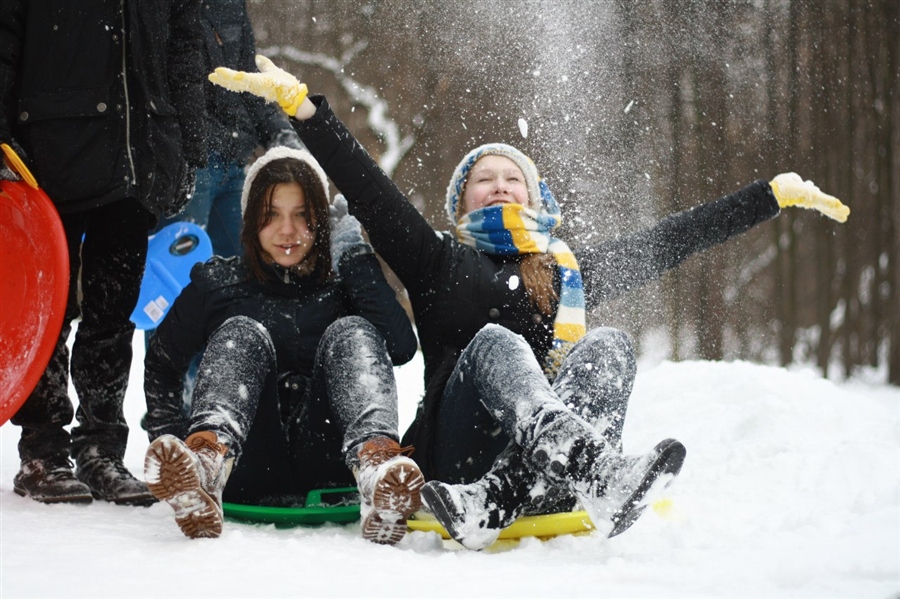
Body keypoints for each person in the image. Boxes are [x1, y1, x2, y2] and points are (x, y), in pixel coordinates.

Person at [208, 57, 850, 549]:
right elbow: (368, 189)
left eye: (512, 178)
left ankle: (521, 491)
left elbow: (668, 242)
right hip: (457, 448)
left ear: (535, 198)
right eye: (482, 179)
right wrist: (308, 113)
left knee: (609, 345)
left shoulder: (564, 271)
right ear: (460, 202)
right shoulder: (436, 259)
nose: (499, 186)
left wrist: (769, 196)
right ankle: (585, 468)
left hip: (533, 480)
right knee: (496, 342)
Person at [141, 146, 422, 544]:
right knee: (242, 332)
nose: (287, 232)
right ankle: (203, 466)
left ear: (320, 221)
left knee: (353, 331)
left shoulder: (344, 284)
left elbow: (401, 346)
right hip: (245, 462)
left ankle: (377, 471)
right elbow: (162, 364)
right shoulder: (219, 283)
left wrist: (354, 254)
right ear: (250, 220)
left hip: (332, 461)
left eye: (302, 216)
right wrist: (169, 437)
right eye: (271, 216)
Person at [0, 0, 207, 505]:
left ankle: (101, 448)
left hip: (138, 151)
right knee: (50, 312)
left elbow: (185, 45)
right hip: (48, 150)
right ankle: (43, 452)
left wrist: (190, 142)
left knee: (114, 312)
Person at [154, 0, 303, 259]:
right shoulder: (164, 8)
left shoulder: (232, 5)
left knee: (246, 266)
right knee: (180, 270)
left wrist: (280, 134)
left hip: (235, 162)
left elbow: (249, 80)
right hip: (187, 162)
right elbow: (166, 86)